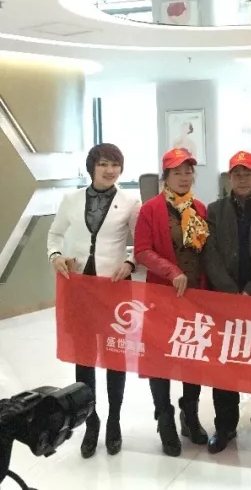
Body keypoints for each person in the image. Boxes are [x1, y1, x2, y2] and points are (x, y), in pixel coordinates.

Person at [48, 143, 141, 459]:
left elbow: (141, 244)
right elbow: (54, 235)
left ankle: (114, 421)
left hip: (114, 289)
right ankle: (91, 421)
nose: (110, 170)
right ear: (92, 167)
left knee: (115, 357)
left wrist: (130, 263)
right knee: (84, 359)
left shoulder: (130, 203)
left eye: (115, 165)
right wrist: (55, 255)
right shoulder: (71, 201)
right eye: (104, 164)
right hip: (79, 290)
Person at [201, 151, 251, 455]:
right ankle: (224, 427)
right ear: (229, 177)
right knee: (224, 366)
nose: (243, 178)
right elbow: (210, 255)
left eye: (248, 173)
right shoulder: (215, 210)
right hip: (226, 301)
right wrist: (231, 293)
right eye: (237, 173)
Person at [133, 148, 209, 457]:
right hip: (161, 297)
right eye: (177, 172)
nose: (184, 177)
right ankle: (164, 418)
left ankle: (190, 414)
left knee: (193, 357)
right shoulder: (150, 209)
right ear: (165, 177)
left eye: (188, 171)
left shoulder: (200, 208)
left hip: (194, 298)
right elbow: (142, 250)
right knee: (159, 358)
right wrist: (171, 270)